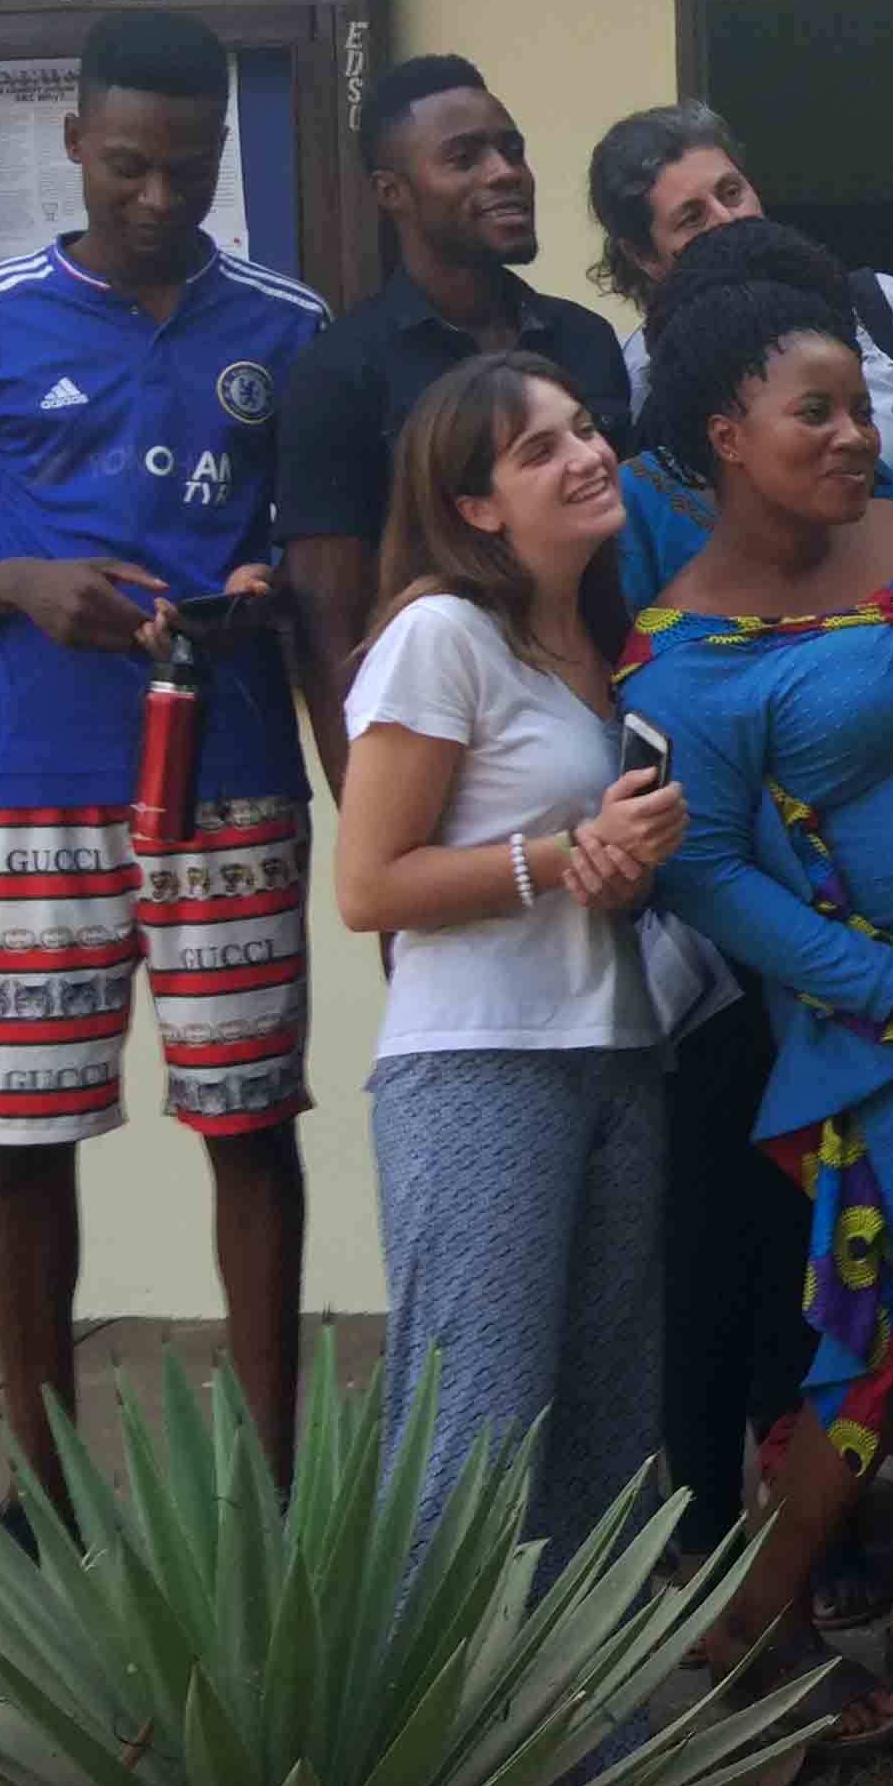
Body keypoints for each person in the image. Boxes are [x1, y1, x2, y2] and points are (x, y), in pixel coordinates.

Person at [0, 11, 324, 1639]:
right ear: (71, 142)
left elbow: (320, 548)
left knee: (248, 1124)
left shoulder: (288, 326)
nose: (156, 196)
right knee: (22, 1131)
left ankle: (273, 1504)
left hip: (232, 778)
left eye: (188, 168)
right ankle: (43, 1502)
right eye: (127, 164)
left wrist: (270, 587)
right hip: (33, 790)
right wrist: (20, 585)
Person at [617, 261, 893, 1742]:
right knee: (885, 1337)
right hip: (888, 1030)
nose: (857, 434)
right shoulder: (681, 657)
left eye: (861, 406)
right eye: (817, 412)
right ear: (725, 434)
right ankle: (763, 1617)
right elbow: (710, 882)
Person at [330, 352, 687, 1580]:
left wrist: (618, 867)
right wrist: (563, 854)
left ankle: (587, 1701)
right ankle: (430, 1692)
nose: (587, 455)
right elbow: (370, 886)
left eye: (584, 427)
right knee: (472, 1430)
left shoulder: (599, 642)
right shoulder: (440, 633)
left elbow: (580, 869)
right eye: (541, 449)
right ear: (474, 505)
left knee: (604, 1427)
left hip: (616, 1051)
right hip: (480, 1064)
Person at [276, 54, 633, 790]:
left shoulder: (584, 341)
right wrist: (367, 810)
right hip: (441, 745)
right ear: (393, 192)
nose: (506, 173)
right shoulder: (341, 368)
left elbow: (619, 559)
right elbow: (329, 614)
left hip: (591, 728)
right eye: (465, 158)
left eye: (512, 149)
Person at [585, 100, 893, 492]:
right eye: (692, 217)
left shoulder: (882, 307)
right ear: (643, 256)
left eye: (732, 192)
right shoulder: (641, 372)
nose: (728, 219)